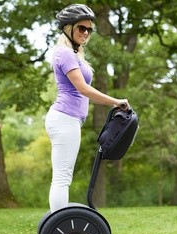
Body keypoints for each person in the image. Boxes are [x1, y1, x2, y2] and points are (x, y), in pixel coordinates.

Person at [45, 4, 129, 213]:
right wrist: (114, 101)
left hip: (69, 119)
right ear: (67, 28)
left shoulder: (73, 54)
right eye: (81, 28)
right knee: (62, 177)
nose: (86, 33)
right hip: (64, 118)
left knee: (63, 176)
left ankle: (57, 226)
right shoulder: (64, 53)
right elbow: (83, 89)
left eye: (89, 29)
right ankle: (58, 226)